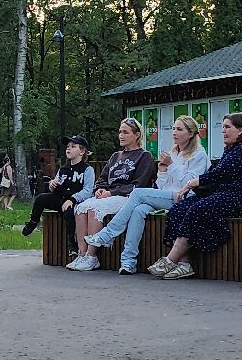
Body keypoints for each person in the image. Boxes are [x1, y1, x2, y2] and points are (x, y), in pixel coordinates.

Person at [84, 114, 209, 275]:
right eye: (173, 128)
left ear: (191, 133)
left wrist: (171, 166)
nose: (174, 132)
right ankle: (128, 261)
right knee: (138, 210)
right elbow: (164, 185)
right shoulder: (173, 152)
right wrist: (163, 171)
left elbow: (191, 183)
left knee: (137, 194)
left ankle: (107, 234)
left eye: (179, 129)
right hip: (167, 196)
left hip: (186, 198)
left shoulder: (199, 154)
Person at [152, 113, 242, 280]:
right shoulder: (231, 149)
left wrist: (191, 184)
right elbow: (215, 176)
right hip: (227, 195)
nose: (223, 132)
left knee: (199, 208)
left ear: (240, 130)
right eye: (223, 128)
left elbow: (219, 174)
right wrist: (196, 190)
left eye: (228, 127)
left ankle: (170, 259)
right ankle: (184, 264)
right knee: (179, 208)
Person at [67, 118, 157, 271]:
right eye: (120, 132)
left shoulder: (144, 156)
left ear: (137, 135)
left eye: (125, 132)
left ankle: (91, 256)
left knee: (95, 209)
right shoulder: (115, 156)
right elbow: (103, 178)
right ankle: (81, 254)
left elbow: (139, 184)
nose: (121, 135)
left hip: (128, 197)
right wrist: (100, 189)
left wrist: (111, 192)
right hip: (108, 195)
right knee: (81, 207)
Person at [22, 135, 94, 238]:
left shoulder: (87, 169)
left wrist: (73, 199)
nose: (68, 148)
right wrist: (52, 185)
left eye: (73, 146)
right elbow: (56, 186)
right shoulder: (63, 169)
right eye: (68, 146)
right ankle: (33, 222)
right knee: (41, 198)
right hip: (61, 199)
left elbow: (88, 190)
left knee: (69, 212)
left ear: (82, 152)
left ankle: (72, 242)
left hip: (76, 202)